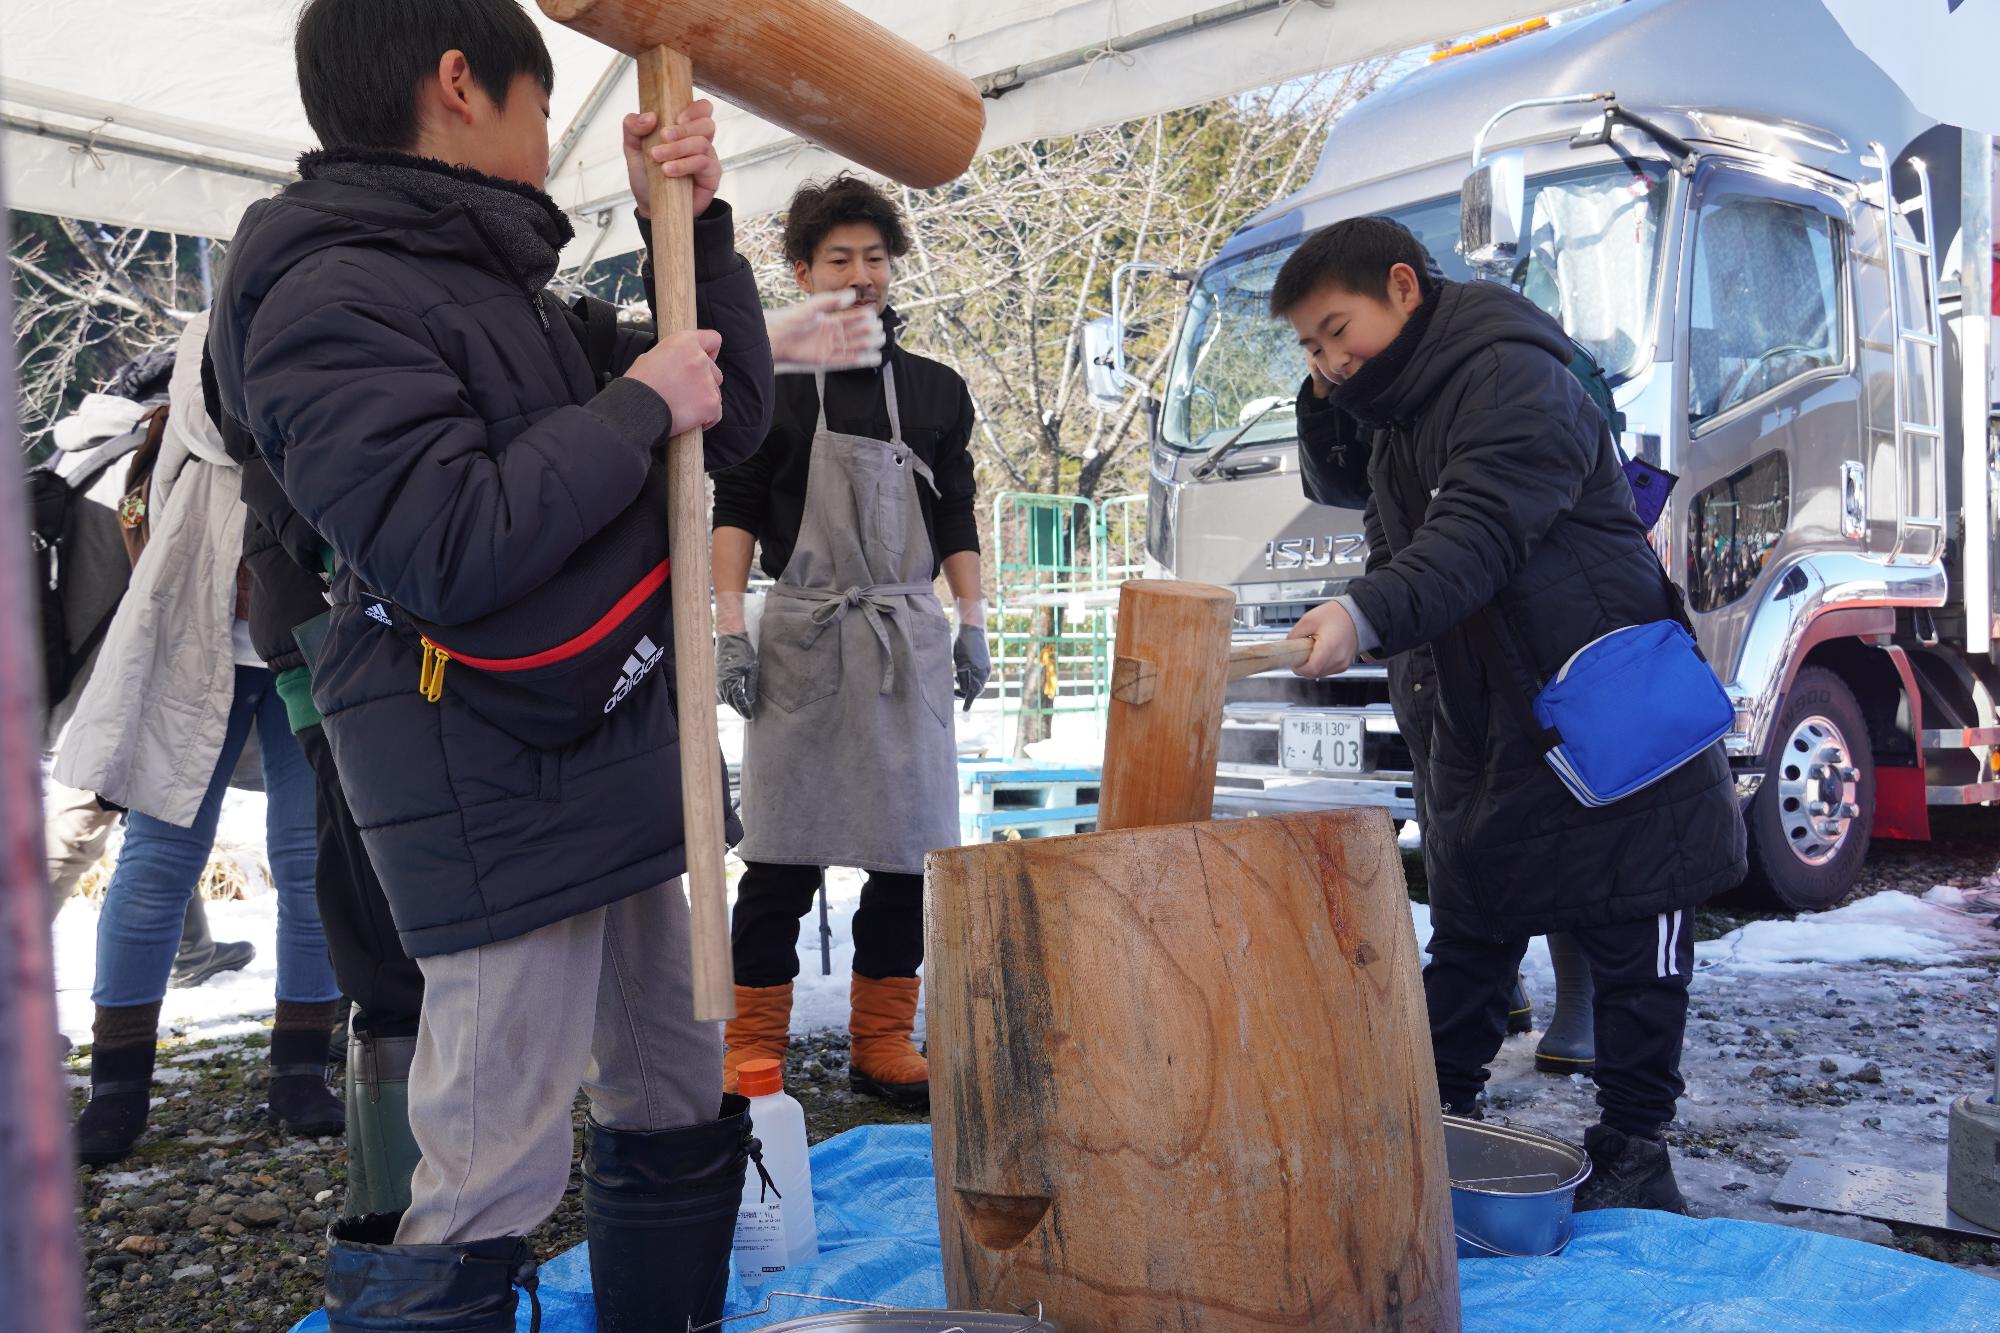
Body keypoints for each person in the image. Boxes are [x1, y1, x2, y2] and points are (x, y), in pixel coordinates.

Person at [207, 2, 774, 1326]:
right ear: (461, 84)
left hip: (620, 743)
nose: (547, 136)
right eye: (537, 103)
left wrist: (689, 225)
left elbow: (730, 416)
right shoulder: (320, 294)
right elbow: (445, 542)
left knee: (678, 1078)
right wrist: (638, 404)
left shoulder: (497, 280)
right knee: (494, 1147)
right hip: (487, 781)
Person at [1271, 217, 1745, 1213]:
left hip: (1595, 694)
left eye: (1334, 330)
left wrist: (1362, 613)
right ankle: (1425, 1127)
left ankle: (1632, 1152)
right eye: (1308, 347)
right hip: (1483, 708)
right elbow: (1347, 491)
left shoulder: (1510, 378)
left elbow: (1471, 539)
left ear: (1402, 288)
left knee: (1633, 922)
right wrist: (1327, 399)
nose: (1326, 358)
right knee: (1471, 929)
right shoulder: (1398, 405)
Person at [711, 174, 987, 1111]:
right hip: (801, 632)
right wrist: (725, 632)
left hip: (904, 635)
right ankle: (751, 1047)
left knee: (905, 857)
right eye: (840, 259)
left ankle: (881, 1042)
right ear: (802, 272)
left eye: (875, 257)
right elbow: (736, 508)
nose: (861, 274)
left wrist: (972, 623)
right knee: (780, 859)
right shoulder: (774, 387)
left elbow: (959, 515)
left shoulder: (938, 392)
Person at [54, 313, 344, 1166]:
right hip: (198, 643)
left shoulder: (348, 333)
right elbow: (218, 429)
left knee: (310, 857)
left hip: (307, 639)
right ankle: (118, 1086)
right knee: (155, 859)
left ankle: (299, 1066)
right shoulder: (206, 347)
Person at [207, 344, 429, 1220]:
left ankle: (435, 1170)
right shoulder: (274, 302)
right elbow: (259, 451)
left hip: (401, 625)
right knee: (362, 888)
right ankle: (394, 1191)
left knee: (388, 883)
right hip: (324, 626)